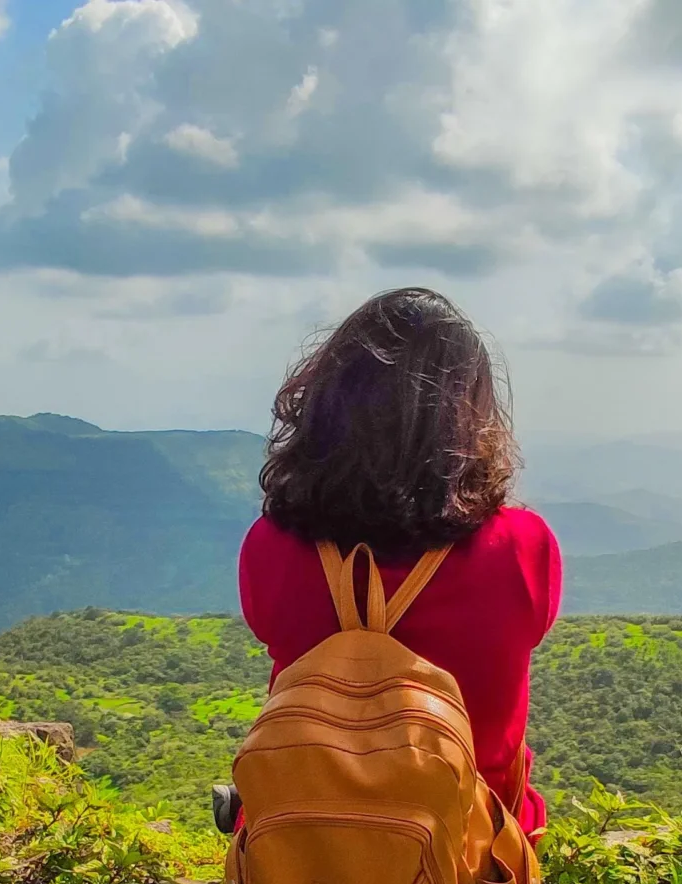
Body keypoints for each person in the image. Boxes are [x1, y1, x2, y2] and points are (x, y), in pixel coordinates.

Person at [236, 288, 562, 835]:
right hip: (470, 857)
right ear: (472, 416)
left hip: (302, 851)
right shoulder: (522, 547)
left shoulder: (272, 545)